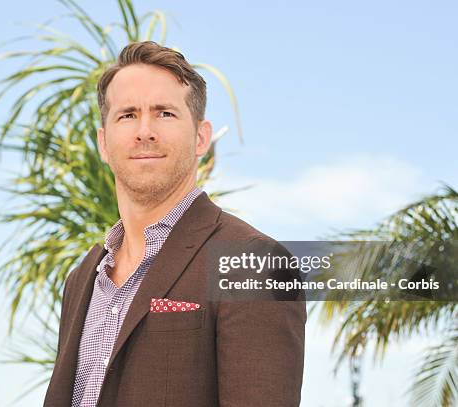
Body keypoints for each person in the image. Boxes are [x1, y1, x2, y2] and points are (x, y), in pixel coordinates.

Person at [42, 41, 306, 407]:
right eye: (127, 115)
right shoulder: (83, 277)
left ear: (201, 137)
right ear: (104, 143)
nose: (144, 131)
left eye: (165, 113)